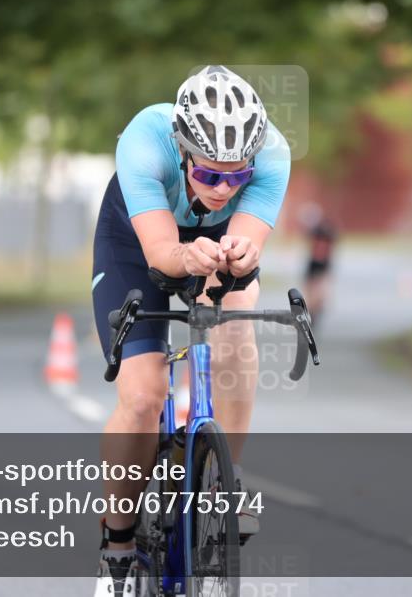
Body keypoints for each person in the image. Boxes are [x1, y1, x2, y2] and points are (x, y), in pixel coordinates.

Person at [91, 66, 291, 596]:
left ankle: (225, 482)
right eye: (209, 175)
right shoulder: (144, 141)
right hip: (138, 242)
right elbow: (162, 255)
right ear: (182, 150)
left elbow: (243, 254)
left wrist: (239, 255)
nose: (224, 188)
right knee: (142, 394)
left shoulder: (272, 153)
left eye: (237, 176)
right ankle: (118, 542)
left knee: (235, 337)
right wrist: (186, 254)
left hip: (214, 244)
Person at [299, 203, 336, 328]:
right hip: (313, 267)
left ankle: (315, 314)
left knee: (319, 296)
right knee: (311, 296)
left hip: (322, 268)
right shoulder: (315, 232)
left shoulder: (327, 232)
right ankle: (311, 315)